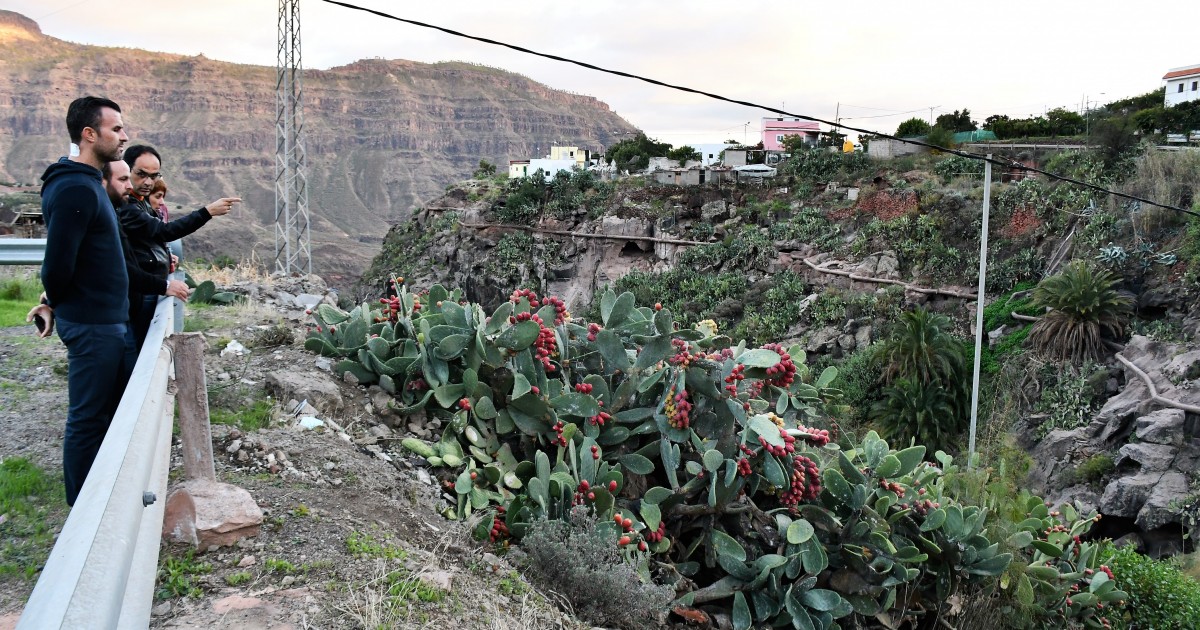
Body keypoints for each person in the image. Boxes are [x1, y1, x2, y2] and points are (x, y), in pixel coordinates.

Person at [36, 96, 131, 506]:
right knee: (88, 418)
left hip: (102, 320)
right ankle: (82, 510)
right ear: (89, 135)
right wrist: (55, 300)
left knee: (100, 415)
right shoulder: (75, 187)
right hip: (92, 325)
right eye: (116, 129)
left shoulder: (87, 182)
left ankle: (99, 497)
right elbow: (57, 265)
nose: (124, 135)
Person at [117, 144, 240, 349]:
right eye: (141, 174)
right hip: (138, 292)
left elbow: (148, 239)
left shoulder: (140, 202)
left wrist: (164, 256)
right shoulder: (128, 207)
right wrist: (207, 212)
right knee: (136, 349)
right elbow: (165, 231)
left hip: (146, 288)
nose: (148, 182)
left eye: (154, 176)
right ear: (126, 170)